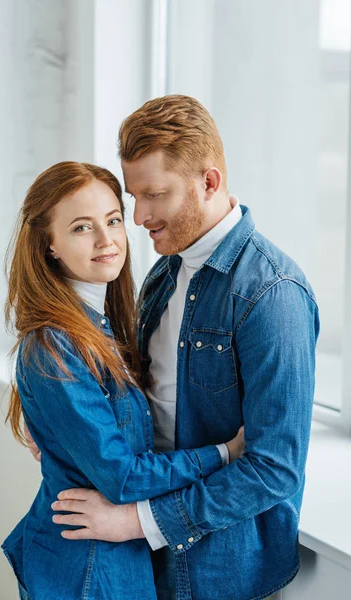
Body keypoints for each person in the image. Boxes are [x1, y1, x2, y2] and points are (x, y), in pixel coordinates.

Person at [46, 96, 320, 600]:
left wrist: (135, 521)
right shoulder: (165, 273)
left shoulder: (272, 293)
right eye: (134, 197)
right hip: (144, 559)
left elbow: (274, 469)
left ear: (209, 182)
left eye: (154, 195)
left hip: (222, 571)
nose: (139, 217)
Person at [1, 160, 245, 600]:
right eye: (81, 228)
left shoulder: (103, 325)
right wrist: (225, 453)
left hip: (112, 558)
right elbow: (122, 475)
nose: (106, 239)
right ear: (49, 246)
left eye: (113, 220)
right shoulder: (55, 345)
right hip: (86, 570)